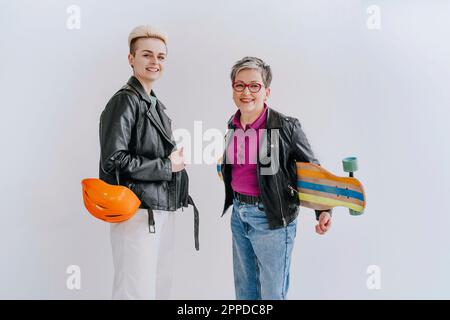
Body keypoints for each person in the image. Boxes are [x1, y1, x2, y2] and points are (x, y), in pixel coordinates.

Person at [99, 25, 199, 300]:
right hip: (137, 212)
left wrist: (174, 162)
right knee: (135, 292)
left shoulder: (154, 104)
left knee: (156, 290)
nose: (155, 62)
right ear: (131, 59)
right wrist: (167, 166)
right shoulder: (125, 102)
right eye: (147, 55)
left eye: (161, 56)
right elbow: (114, 160)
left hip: (158, 210)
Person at [220, 56, 331, 300]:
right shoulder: (233, 124)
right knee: (245, 291)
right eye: (240, 85)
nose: (246, 92)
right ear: (233, 90)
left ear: (266, 91)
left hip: (272, 218)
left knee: (272, 293)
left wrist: (323, 210)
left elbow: (313, 168)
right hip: (239, 215)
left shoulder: (286, 127)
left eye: (254, 86)